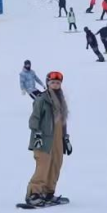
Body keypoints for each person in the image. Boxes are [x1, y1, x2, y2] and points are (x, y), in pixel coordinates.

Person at [25, 71, 71, 206]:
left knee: (55, 165)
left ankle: (48, 193)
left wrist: (65, 139)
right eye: (53, 83)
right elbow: (34, 120)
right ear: (48, 84)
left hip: (57, 139)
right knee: (43, 166)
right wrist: (38, 135)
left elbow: (62, 122)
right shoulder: (41, 99)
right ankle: (34, 194)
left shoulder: (61, 100)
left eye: (58, 83)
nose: (55, 85)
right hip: (43, 139)